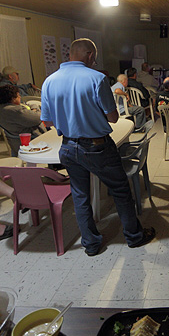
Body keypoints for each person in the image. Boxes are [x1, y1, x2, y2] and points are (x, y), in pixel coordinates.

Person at [40, 38, 155, 256]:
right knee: (121, 191)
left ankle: (91, 244)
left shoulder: (50, 81)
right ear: (90, 55)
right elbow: (112, 117)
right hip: (97, 146)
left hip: (68, 147)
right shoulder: (97, 78)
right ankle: (134, 236)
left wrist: (71, 116)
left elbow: (47, 122)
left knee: (80, 195)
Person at [0, 84, 45, 156]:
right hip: (31, 142)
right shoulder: (16, 111)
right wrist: (35, 108)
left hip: (15, 142)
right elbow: (38, 118)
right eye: (18, 96)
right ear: (13, 98)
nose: (20, 97)